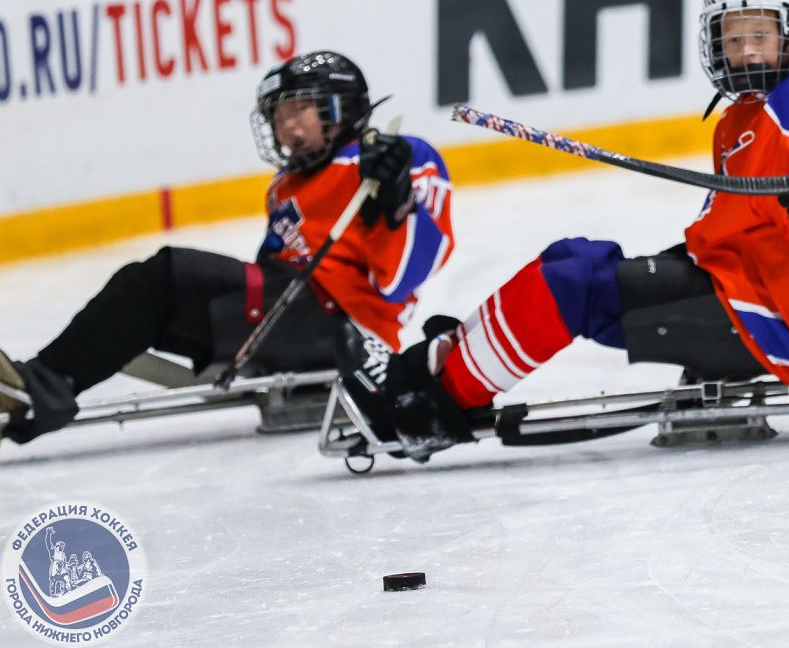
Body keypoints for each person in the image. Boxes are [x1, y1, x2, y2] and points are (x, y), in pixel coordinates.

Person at [342, 0, 789, 461]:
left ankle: (425, 408)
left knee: (573, 285)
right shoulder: (737, 121)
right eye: (733, 39)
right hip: (746, 290)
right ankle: (444, 361)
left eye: (760, 36)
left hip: (776, 321)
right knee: (571, 258)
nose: (747, 51)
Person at [0, 50, 454, 443]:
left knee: (162, 280)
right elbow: (269, 268)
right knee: (150, 292)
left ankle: (39, 386)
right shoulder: (285, 186)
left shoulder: (399, 157)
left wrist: (397, 201)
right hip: (292, 313)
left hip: (345, 328)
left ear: (341, 107)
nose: (287, 126)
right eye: (278, 116)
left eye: (300, 109)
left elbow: (403, 280)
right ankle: (40, 386)